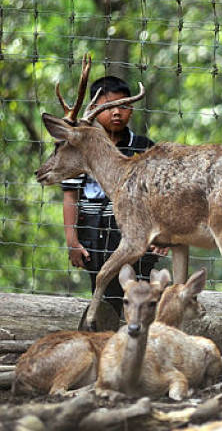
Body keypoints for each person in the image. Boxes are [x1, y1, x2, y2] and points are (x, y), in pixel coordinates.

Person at [61, 76, 166, 317]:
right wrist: (72, 240)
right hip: (92, 233)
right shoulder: (80, 146)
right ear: (94, 109)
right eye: (108, 107)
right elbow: (71, 195)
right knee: (102, 290)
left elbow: (158, 197)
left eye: (123, 106)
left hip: (136, 234)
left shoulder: (144, 148)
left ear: (132, 109)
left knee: (136, 292)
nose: (116, 113)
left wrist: (159, 235)